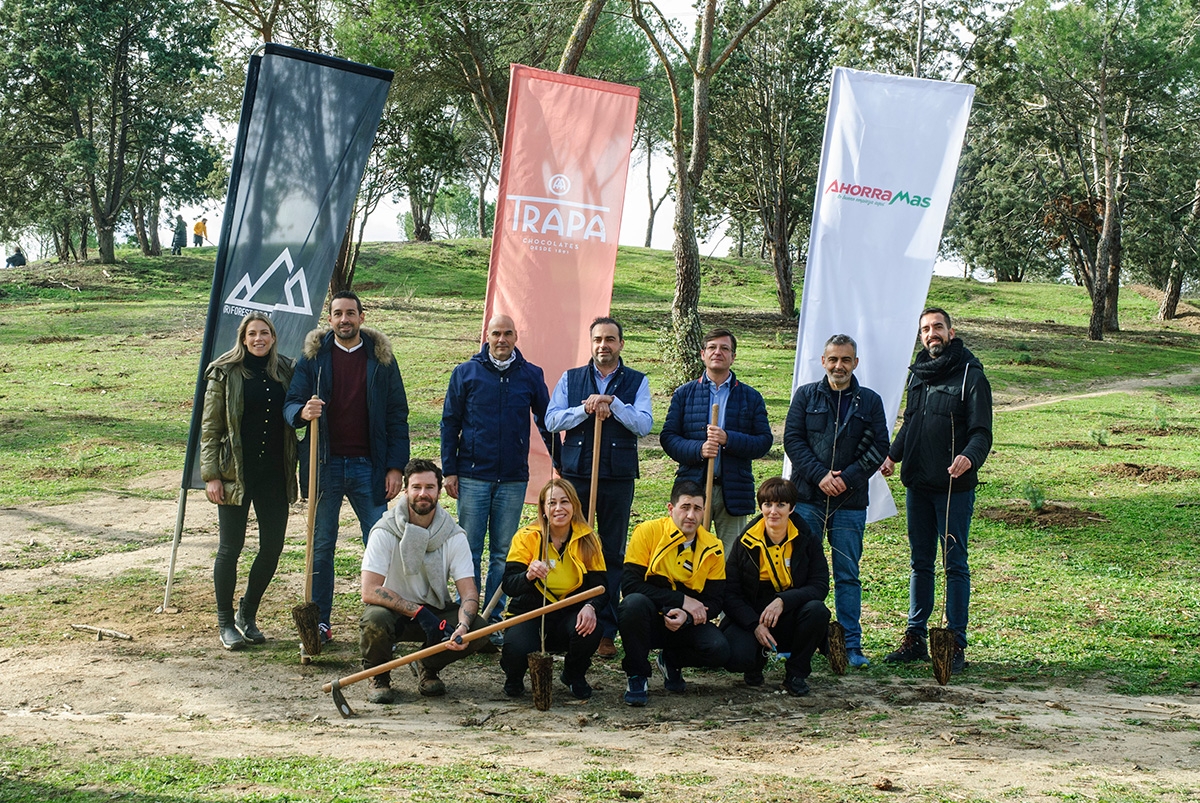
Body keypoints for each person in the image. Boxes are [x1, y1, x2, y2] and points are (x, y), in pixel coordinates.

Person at [284, 291, 410, 644]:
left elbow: (397, 415)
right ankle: (320, 622)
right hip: (324, 466)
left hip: (368, 467)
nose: (344, 320)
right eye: (337, 313)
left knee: (380, 542)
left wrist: (395, 467)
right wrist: (300, 413)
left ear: (362, 317)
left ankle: (382, 619)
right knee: (322, 543)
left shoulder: (381, 360)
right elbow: (291, 403)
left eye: (350, 313)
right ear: (330, 318)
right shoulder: (314, 358)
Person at [880, 307, 992, 673]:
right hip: (917, 483)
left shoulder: (970, 375)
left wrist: (968, 458)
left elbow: (981, 432)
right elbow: (910, 422)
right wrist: (892, 456)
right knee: (920, 562)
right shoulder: (919, 375)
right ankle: (915, 636)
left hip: (953, 488)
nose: (932, 334)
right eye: (926, 329)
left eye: (938, 328)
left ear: (951, 331)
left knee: (954, 563)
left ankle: (955, 641)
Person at [441, 314, 555, 641]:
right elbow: (450, 423)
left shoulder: (531, 375)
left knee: (503, 553)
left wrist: (559, 461)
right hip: (473, 475)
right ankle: (469, 617)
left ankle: (492, 621)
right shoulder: (466, 373)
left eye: (507, 333)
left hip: (514, 478)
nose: (502, 339)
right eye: (496, 333)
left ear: (516, 336)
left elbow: (545, 421)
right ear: (486, 336)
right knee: (470, 550)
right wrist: (450, 469)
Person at [546, 316, 653, 659]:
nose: (603, 345)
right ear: (590, 343)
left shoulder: (636, 382)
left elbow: (644, 425)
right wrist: (585, 407)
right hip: (577, 476)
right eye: (597, 339)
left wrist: (614, 405)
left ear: (621, 344)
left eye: (610, 339)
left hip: (617, 478)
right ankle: (570, 622)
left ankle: (605, 629)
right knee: (572, 546)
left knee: (611, 553)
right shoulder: (571, 378)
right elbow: (552, 420)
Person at [783, 334, 889, 669]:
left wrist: (847, 479)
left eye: (845, 360)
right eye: (833, 359)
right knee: (801, 572)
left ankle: (850, 645)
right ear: (823, 361)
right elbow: (793, 440)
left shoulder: (869, 401)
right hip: (809, 499)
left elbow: (879, 447)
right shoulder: (805, 396)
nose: (839, 366)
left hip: (851, 503)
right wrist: (820, 476)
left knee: (847, 574)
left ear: (855, 363)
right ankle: (794, 641)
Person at [200, 313, 298, 650]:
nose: (259, 339)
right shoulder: (224, 371)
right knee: (231, 548)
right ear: (243, 338)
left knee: (272, 548)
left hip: (274, 473)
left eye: (265, 333)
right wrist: (211, 476)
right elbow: (210, 427)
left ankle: (247, 613)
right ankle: (225, 622)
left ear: (273, 337)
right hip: (235, 474)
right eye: (252, 334)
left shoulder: (286, 369)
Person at [359, 459, 487, 702]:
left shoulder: (454, 535)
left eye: (430, 487)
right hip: (393, 612)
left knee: (478, 629)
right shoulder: (384, 530)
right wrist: (417, 612)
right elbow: (369, 591)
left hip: (435, 611)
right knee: (374, 619)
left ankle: (427, 665)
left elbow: (469, 592)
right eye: (416, 487)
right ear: (406, 490)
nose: (423, 494)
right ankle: (379, 675)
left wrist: (461, 626)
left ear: (439, 491)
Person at [660, 327, 772, 552]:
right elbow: (668, 438)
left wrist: (728, 439)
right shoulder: (684, 394)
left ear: (733, 356)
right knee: (687, 553)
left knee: (731, 558)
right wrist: (699, 449)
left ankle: (725, 590)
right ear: (703, 354)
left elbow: (763, 442)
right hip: (694, 486)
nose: (717, 352)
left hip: (734, 490)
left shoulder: (750, 397)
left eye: (724, 348)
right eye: (712, 347)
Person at [618, 480, 729, 706]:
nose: (691, 515)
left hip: (684, 623)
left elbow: (716, 599)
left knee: (719, 649)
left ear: (704, 512)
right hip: (650, 616)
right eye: (685, 507)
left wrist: (687, 616)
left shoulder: (714, 546)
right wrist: (681, 600)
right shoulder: (647, 532)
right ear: (671, 509)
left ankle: (671, 660)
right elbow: (630, 585)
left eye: (697, 509)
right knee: (632, 605)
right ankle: (637, 674)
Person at [722, 478, 831, 696]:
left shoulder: (807, 538)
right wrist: (754, 624)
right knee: (736, 657)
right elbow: (730, 593)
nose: (773, 511)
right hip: (753, 614)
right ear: (760, 506)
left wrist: (783, 600)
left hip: (790, 611)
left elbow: (820, 585)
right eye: (767, 504)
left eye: (781, 505)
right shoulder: (744, 542)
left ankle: (796, 674)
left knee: (817, 611)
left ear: (792, 508)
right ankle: (755, 662)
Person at [500, 479, 606, 700]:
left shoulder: (588, 539)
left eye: (564, 502)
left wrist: (590, 606)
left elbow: (601, 586)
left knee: (590, 629)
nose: (559, 508)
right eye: (552, 503)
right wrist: (528, 575)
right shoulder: (527, 536)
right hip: (530, 612)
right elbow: (509, 585)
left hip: (569, 612)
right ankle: (514, 676)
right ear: (543, 510)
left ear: (574, 505)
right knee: (516, 648)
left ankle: (573, 675)